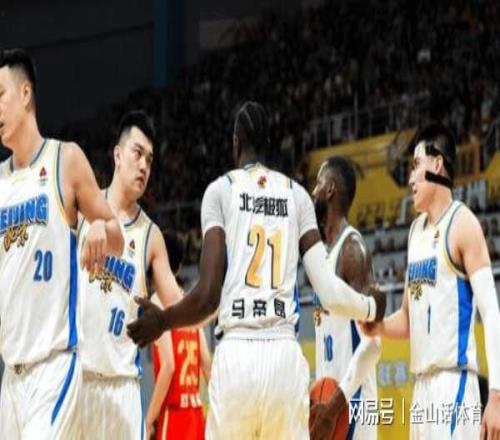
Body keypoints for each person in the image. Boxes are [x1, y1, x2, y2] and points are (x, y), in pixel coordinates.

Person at [128, 101, 385, 439]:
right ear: (269, 144)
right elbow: (328, 291)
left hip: (238, 354)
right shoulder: (297, 196)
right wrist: (370, 307)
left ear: (236, 143)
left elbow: (207, 297)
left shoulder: (220, 191)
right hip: (283, 356)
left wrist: (163, 321)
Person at [0, 48, 124, 439]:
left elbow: (117, 236)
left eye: (0, 94)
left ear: (25, 94)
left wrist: (102, 228)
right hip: (10, 376)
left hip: (54, 367)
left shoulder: (64, 159)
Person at [361, 124, 500, 439]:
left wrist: (495, 396)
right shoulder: (414, 232)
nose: (410, 179)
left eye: (416, 166)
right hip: (421, 389)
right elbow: (407, 318)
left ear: (437, 164)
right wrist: (378, 326)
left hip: (453, 383)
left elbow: (491, 313)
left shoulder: (463, 223)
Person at [78, 111, 183, 439]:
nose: (143, 166)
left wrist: (217, 294)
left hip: (123, 388)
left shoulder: (151, 236)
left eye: (149, 160)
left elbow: (178, 304)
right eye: (137, 154)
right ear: (117, 155)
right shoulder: (81, 209)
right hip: (77, 379)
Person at [310, 156, 382, 440]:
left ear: (330, 189)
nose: (313, 191)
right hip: (329, 403)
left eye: (318, 183)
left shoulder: (352, 249)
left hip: (354, 404)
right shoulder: (322, 255)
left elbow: (373, 344)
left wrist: (333, 406)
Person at [147, 230, 211, 440]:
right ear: (180, 266)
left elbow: (169, 366)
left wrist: (149, 419)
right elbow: (206, 363)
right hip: (196, 413)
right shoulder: (189, 304)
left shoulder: (158, 303)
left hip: (174, 415)